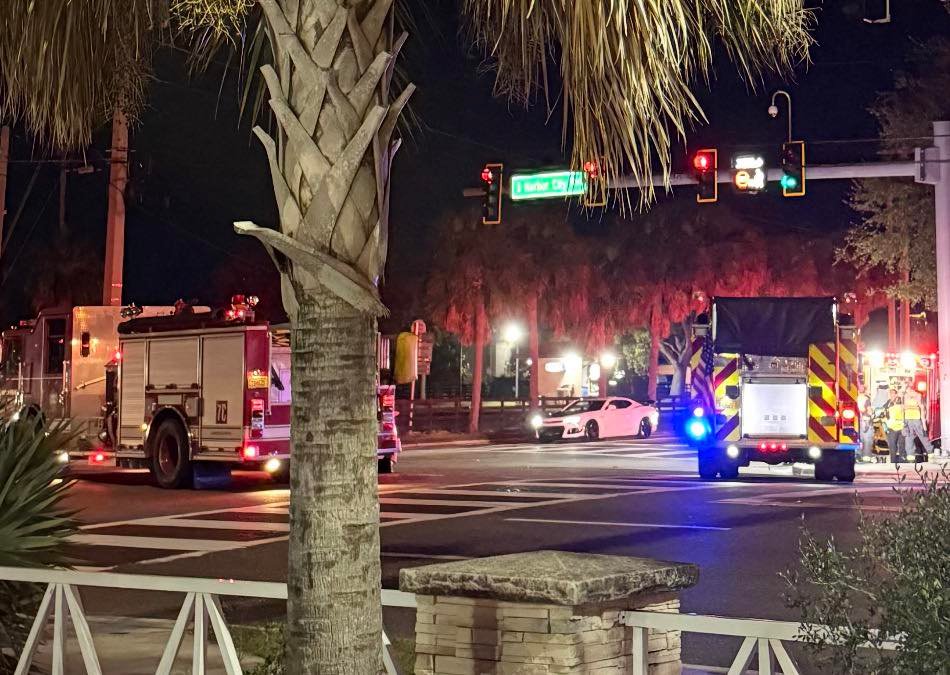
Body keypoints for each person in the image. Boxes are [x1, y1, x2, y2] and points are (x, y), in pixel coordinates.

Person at [902, 385, 934, 461]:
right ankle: (910, 455)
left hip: (916, 418)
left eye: (907, 389)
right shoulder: (905, 396)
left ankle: (930, 452)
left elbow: (921, 406)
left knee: (921, 435)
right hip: (908, 418)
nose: (907, 391)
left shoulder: (918, 395)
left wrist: (923, 420)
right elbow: (904, 408)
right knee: (909, 436)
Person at [882, 388, 906, 464]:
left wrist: (885, 422)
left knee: (893, 445)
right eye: (890, 393)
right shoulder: (902, 407)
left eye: (893, 393)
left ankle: (893, 461)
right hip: (901, 427)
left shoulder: (891, 408)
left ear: (896, 395)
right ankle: (902, 460)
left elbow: (885, 415)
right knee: (901, 445)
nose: (891, 395)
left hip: (892, 428)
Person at [857, 387, 876, 462]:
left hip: (858, 421)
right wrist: (872, 414)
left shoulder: (856, 398)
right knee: (867, 439)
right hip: (866, 421)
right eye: (868, 390)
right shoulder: (866, 399)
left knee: (859, 439)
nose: (870, 392)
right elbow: (869, 411)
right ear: (865, 390)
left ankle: (858, 455)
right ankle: (866, 456)